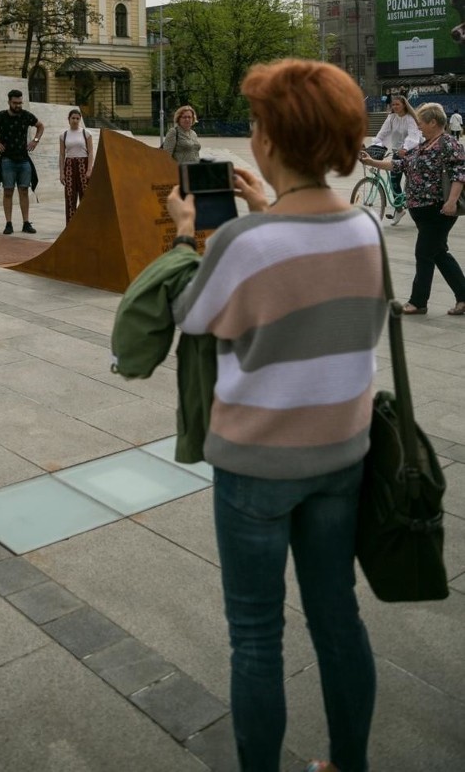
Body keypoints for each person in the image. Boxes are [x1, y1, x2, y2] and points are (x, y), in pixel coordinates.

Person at [118, 59, 385, 772]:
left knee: (257, 636)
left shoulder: (243, 242)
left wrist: (181, 233)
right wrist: (271, 204)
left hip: (256, 469)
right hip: (342, 457)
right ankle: (347, 764)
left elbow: (190, 313)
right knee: (339, 620)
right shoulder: (365, 230)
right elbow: (313, 264)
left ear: (267, 140)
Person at [360, 101, 465, 315]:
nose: (418, 127)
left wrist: (452, 201)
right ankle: (463, 297)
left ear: (434, 122)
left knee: (424, 253)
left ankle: (418, 302)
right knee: (439, 253)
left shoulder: (448, 144)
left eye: (421, 123)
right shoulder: (423, 145)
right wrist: (372, 162)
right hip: (422, 211)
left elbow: (459, 174)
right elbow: (400, 164)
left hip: (438, 209)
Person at [0, 89, 44, 234]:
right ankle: (8, 223)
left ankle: (26, 223)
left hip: (24, 159)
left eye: (20, 103)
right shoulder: (0, 116)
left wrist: (35, 140)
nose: (18, 106)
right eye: (15, 103)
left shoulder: (27, 116)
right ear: (9, 102)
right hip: (7, 159)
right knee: (8, 191)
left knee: (24, 190)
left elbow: (40, 126)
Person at [368, 94, 420, 224]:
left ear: (404, 105)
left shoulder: (410, 119)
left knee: (413, 182)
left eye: (398, 104)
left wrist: (406, 147)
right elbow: (382, 133)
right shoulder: (391, 118)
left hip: (411, 152)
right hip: (397, 152)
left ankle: (416, 206)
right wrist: (374, 144)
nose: (395, 107)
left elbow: (414, 136)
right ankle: (399, 209)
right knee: (394, 182)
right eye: (393, 104)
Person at [59, 109, 93, 224]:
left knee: (85, 195)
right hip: (69, 165)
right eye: (73, 118)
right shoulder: (63, 135)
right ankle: (71, 224)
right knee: (70, 195)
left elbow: (91, 152)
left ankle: (86, 223)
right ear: (69, 119)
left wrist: (89, 169)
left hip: (83, 164)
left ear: (80, 119)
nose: (75, 120)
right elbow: (62, 154)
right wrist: (61, 173)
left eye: (77, 118)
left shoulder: (86, 133)